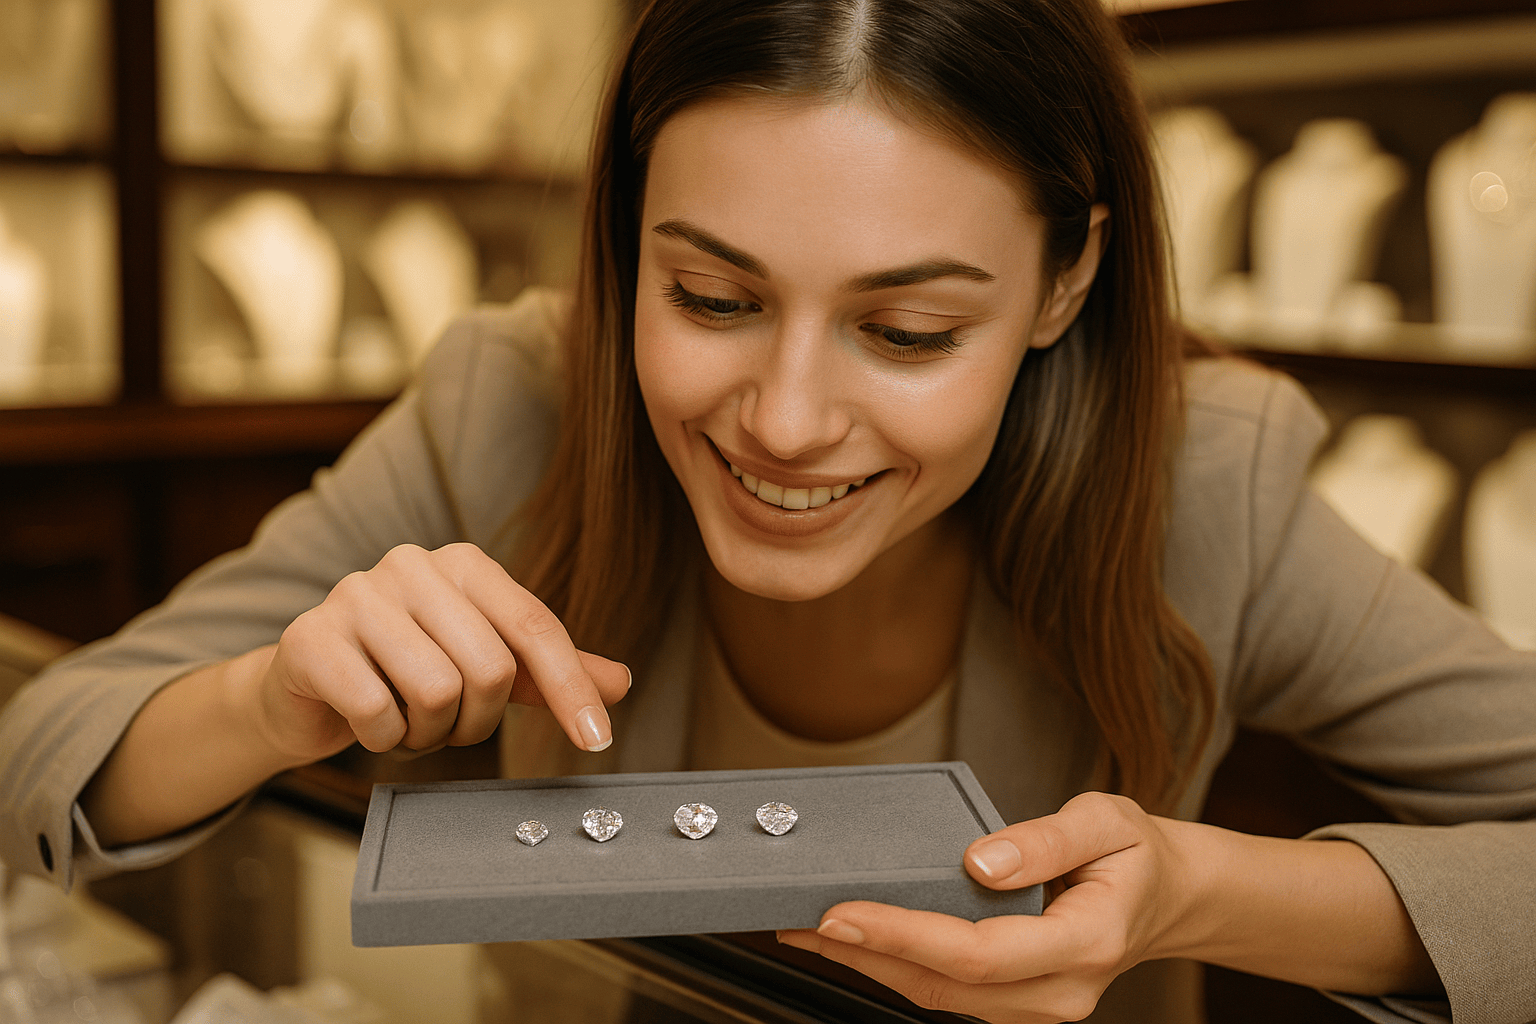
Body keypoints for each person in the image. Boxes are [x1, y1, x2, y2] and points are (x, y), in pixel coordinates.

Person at [2, 1, 1534, 1021]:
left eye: (910, 331)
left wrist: (1203, 894)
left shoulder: (1211, 479)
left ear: (1067, 282)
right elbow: (41, 753)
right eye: (712, 295)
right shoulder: (511, 399)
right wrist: (271, 697)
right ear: (627, 249)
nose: (787, 420)